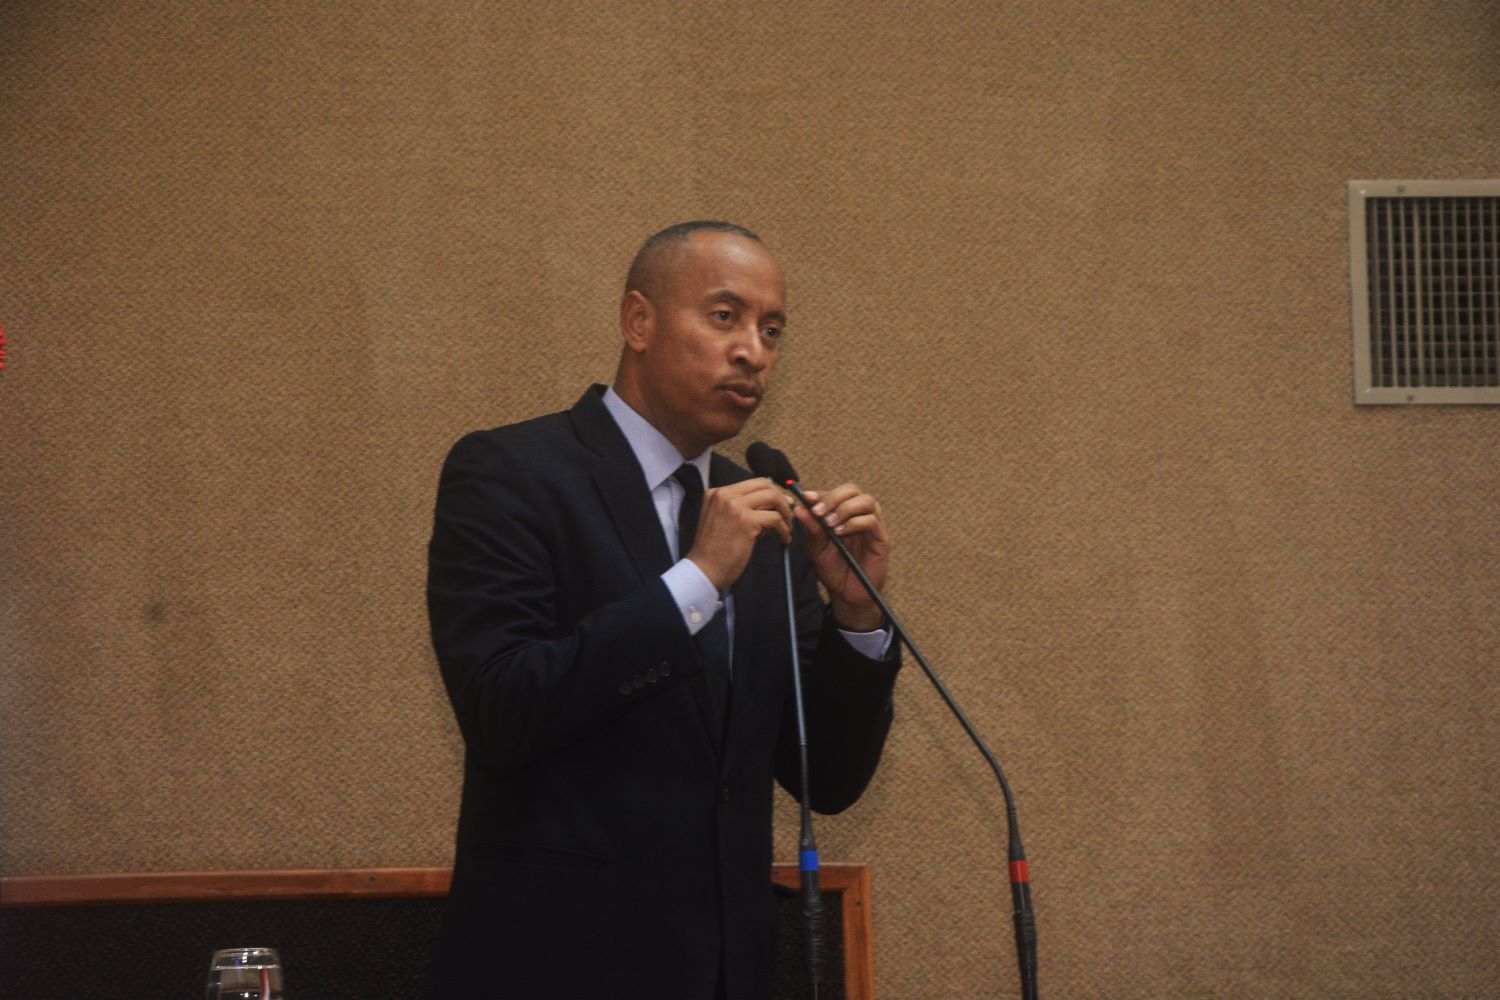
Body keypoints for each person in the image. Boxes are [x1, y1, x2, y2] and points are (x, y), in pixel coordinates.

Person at [425, 221, 901, 1000]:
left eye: (771, 330)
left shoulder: (764, 511)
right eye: (725, 316)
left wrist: (857, 617)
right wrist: (697, 581)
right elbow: (501, 708)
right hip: (560, 966)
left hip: (727, 970)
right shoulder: (512, 473)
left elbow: (829, 778)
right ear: (638, 321)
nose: (753, 352)